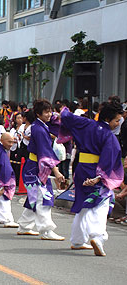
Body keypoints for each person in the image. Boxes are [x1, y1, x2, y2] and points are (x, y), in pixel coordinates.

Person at [58, 102, 124, 256]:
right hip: (96, 171)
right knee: (101, 203)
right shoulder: (108, 136)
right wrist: (99, 177)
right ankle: (97, 237)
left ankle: (78, 240)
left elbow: (66, 117)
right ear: (108, 119)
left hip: (81, 169)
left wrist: (64, 110)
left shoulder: (86, 123)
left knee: (82, 203)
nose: (118, 124)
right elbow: (108, 159)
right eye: (116, 120)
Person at [17, 99, 66, 241]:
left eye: (50, 111)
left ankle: (24, 226)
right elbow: (45, 153)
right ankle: (46, 230)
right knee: (43, 197)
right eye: (46, 112)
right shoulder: (39, 129)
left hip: (35, 165)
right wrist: (56, 171)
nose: (50, 114)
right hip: (36, 167)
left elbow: (56, 123)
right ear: (38, 114)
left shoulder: (40, 126)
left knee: (35, 197)